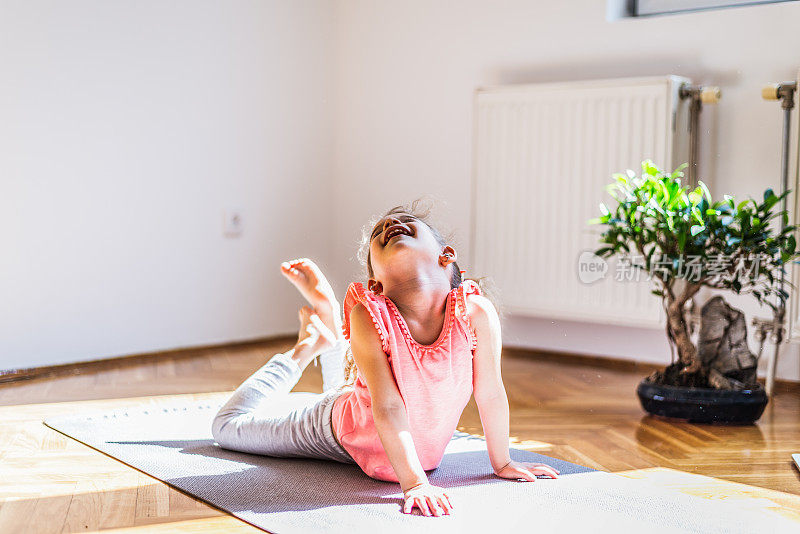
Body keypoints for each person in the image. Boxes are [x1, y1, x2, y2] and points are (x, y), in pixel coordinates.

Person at [212, 202, 559, 517]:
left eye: (406, 221)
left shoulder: (475, 314)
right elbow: (387, 407)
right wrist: (415, 484)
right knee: (226, 428)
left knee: (353, 392)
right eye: (379, 232)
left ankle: (327, 331)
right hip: (337, 429)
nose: (390, 223)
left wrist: (503, 462)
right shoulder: (368, 314)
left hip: (371, 418)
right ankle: (306, 348)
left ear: (446, 255)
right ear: (375, 284)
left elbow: (490, 393)